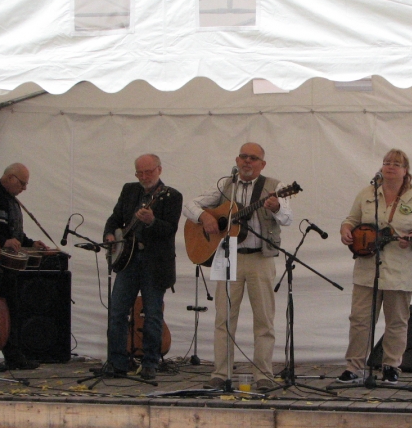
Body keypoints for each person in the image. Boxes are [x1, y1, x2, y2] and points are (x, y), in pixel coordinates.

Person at [183, 143, 293, 391]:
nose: (247, 161)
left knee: (264, 319)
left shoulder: (275, 186)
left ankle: (263, 375)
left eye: (253, 158)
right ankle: (221, 373)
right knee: (223, 318)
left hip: (260, 258)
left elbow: (288, 218)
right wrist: (205, 216)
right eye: (243, 157)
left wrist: (276, 208)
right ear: (237, 159)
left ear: (262, 164)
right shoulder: (225, 184)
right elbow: (189, 205)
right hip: (227, 256)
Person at [338, 149, 412, 385]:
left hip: (400, 271)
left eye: (396, 164)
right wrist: (345, 229)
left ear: (405, 170)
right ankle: (354, 366)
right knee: (360, 320)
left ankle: (391, 365)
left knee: (396, 321)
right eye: (387, 162)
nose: (390, 166)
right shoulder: (367, 193)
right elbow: (351, 220)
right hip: (367, 269)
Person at [103, 154, 182, 381]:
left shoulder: (172, 196)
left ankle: (150, 363)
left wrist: (151, 221)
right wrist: (110, 235)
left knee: (152, 314)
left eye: (149, 172)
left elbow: (170, 230)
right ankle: (117, 362)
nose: (144, 177)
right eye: (140, 173)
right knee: (117, 311)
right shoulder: (129, 190)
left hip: (155, 264)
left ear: (159, 170)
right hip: (128, 261)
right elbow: (115, 219)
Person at [0, 163, 47, 371]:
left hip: (7, 265)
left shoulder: (9, 199)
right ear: (10, 178)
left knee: (11, 310)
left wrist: (30, 243)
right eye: (22, 183)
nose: (24, 188)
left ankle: (13, 356)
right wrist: (3, 241)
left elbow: (13, 231)